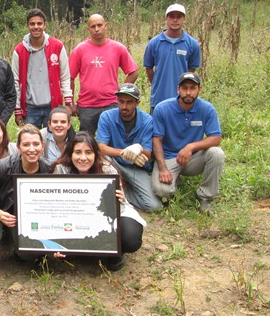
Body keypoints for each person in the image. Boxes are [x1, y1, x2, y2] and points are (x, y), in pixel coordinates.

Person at [53, 132, 145, 271]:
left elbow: (118, 208)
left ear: (95, 154)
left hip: (109, 215)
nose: (83, 158)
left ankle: (115, 254)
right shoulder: (61, 169)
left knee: (130, 239)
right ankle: (77, 250)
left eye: (88, 152)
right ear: (70, 154)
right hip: (73, 217)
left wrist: (118, 200)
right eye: (78, 152)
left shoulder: (107, 169)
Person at [0, 124, 53, 275]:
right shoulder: (2, 167)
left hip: (28, 218)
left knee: (29, 254)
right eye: (26, 144)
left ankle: (19, 251)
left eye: (36, 144)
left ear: (42, 146)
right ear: (19, 147)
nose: (32, 149)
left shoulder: (49, 169)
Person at [151, 72, 225, 212]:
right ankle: (173, 181)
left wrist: (191, 147)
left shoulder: (207, 109)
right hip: (169, 157)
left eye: (193, 88)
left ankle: (205, 196)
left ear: (199, 90)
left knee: (217, 153)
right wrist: (163, 168)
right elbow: (156, 140)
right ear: (178, 89)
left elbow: (216, 138)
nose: (188, 92)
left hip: (193, 158)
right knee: (162, 191)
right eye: (185, 88)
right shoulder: (162, 108)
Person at [69, 14, 139, 135]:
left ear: (106, 26)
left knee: (113, 139)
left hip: (111, 103)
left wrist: (122, 92)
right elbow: (69, 77)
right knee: (86, 140)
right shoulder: (80, 50)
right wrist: (71, 103)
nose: (97, 29)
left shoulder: (118, 48)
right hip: (87, 106)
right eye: (93, 26)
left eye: (99, 25)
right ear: (88, 29)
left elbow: (133, 72)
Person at [97, 83, 163, 212]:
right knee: (101, 159)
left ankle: (126, 194)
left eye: (129, 102)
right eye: (121, 102)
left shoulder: (146, 120)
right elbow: (101, 147)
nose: (124, 106)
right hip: (113, 164)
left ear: (137, 102)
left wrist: (139, 148)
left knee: (154, 206)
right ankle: (112, 193)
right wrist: (123, 152)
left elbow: (148, 154)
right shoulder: (107, 117)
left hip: (136, 167)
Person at [12, 9, 72, 128]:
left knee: (55, 143)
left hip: (53, 107)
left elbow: (65, 77)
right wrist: (18, 109)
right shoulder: (19, 51)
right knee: (31, 144)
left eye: (39, 23)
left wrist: (68, 102)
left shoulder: (57, 47)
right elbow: (16, 82)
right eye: (32, 24)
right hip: (30, 109)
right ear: (27, 26)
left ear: (45, 25)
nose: (36, 27)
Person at [144, 4, 201, 113]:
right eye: (171, 16)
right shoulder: (154, 43)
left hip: (183, 101)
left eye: (179, 16)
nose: (175, 20)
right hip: (158, 101)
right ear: (166, 19)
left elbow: (191, 71)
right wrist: (158, 84)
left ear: (184, 19)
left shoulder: (192, 44)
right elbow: (149, 68)